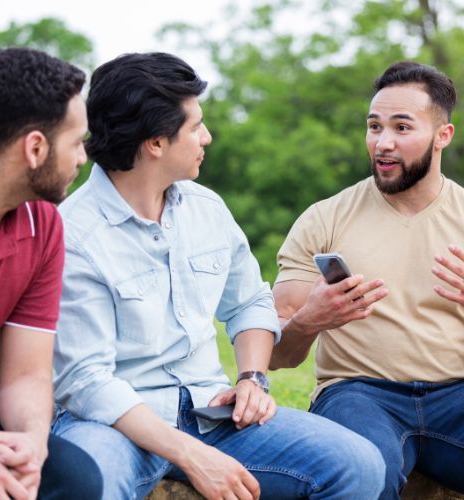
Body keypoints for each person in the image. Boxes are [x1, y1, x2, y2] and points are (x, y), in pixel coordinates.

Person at [50, 52, 384, 500]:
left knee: (357, 465)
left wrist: (252, 379)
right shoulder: (74, 233)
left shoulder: (207, 209)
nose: (207, 137)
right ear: (155, 143)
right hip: (113, 423)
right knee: (88, 484)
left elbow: (249, 304)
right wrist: (190, 454)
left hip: (215, 414)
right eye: (195, 127)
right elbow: (86, 381)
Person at [272, 61, 464, 499]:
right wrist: (310, 320)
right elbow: (276, 354)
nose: (383, 142)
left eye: (401, 127)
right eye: (374, 126)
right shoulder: (324, 219)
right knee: (367, 466)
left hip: (457, 400)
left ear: (443, 136)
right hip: (357, 394)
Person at [0, 48, 102, 500]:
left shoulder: (42, 227)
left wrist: (32, 446)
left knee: (72, 479)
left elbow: (26, 376)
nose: (84, 156)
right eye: (77, 142)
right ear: (36, 147)